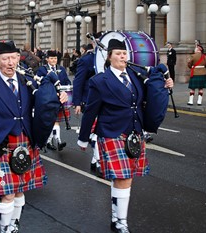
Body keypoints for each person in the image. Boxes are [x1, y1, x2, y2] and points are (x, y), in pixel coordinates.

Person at [0, 41, 67, 233]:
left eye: (13, 58)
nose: (10, 62)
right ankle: (5, 228)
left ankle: (14, 225)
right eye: (5, 59)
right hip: (2, 143)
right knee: (7, 194)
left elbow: (43, 101)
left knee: (20, 190)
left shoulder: (26, 81)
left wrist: (58, 97)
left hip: (25, 141)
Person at [77, 39, 173, 233]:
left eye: (124, 53)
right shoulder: (99, 81)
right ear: (109, 56)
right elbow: (91, 111)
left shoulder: (135, 76)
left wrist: (165, 85)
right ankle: (121, 221)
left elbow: (149, 95)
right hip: (112, 132)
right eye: (118, 53)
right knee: (122, 178)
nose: (122, 57)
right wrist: (83, 137)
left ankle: (116, 217)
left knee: (125, 178)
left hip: (134, 133)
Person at [72, 41, 102, 175]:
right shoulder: (86, 59)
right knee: (95, 131)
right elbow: (78, 81)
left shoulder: (112, 58)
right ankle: (99, 160)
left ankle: (96, 159)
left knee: (102, 130)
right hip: (89, 99)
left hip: (108, 100)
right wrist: (77, 102)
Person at [37, 49, 71, 151]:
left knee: (55, 121)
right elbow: (39, 83)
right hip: (49, 98)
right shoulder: (42, 70)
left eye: (55, 58)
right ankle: (57, 141)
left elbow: (67, 81)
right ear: (47, 59)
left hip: (60, 98)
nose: (53, 60)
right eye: (51, 58)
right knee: (52, 121)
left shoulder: (61, 69)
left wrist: (67, 89)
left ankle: (50, 141)